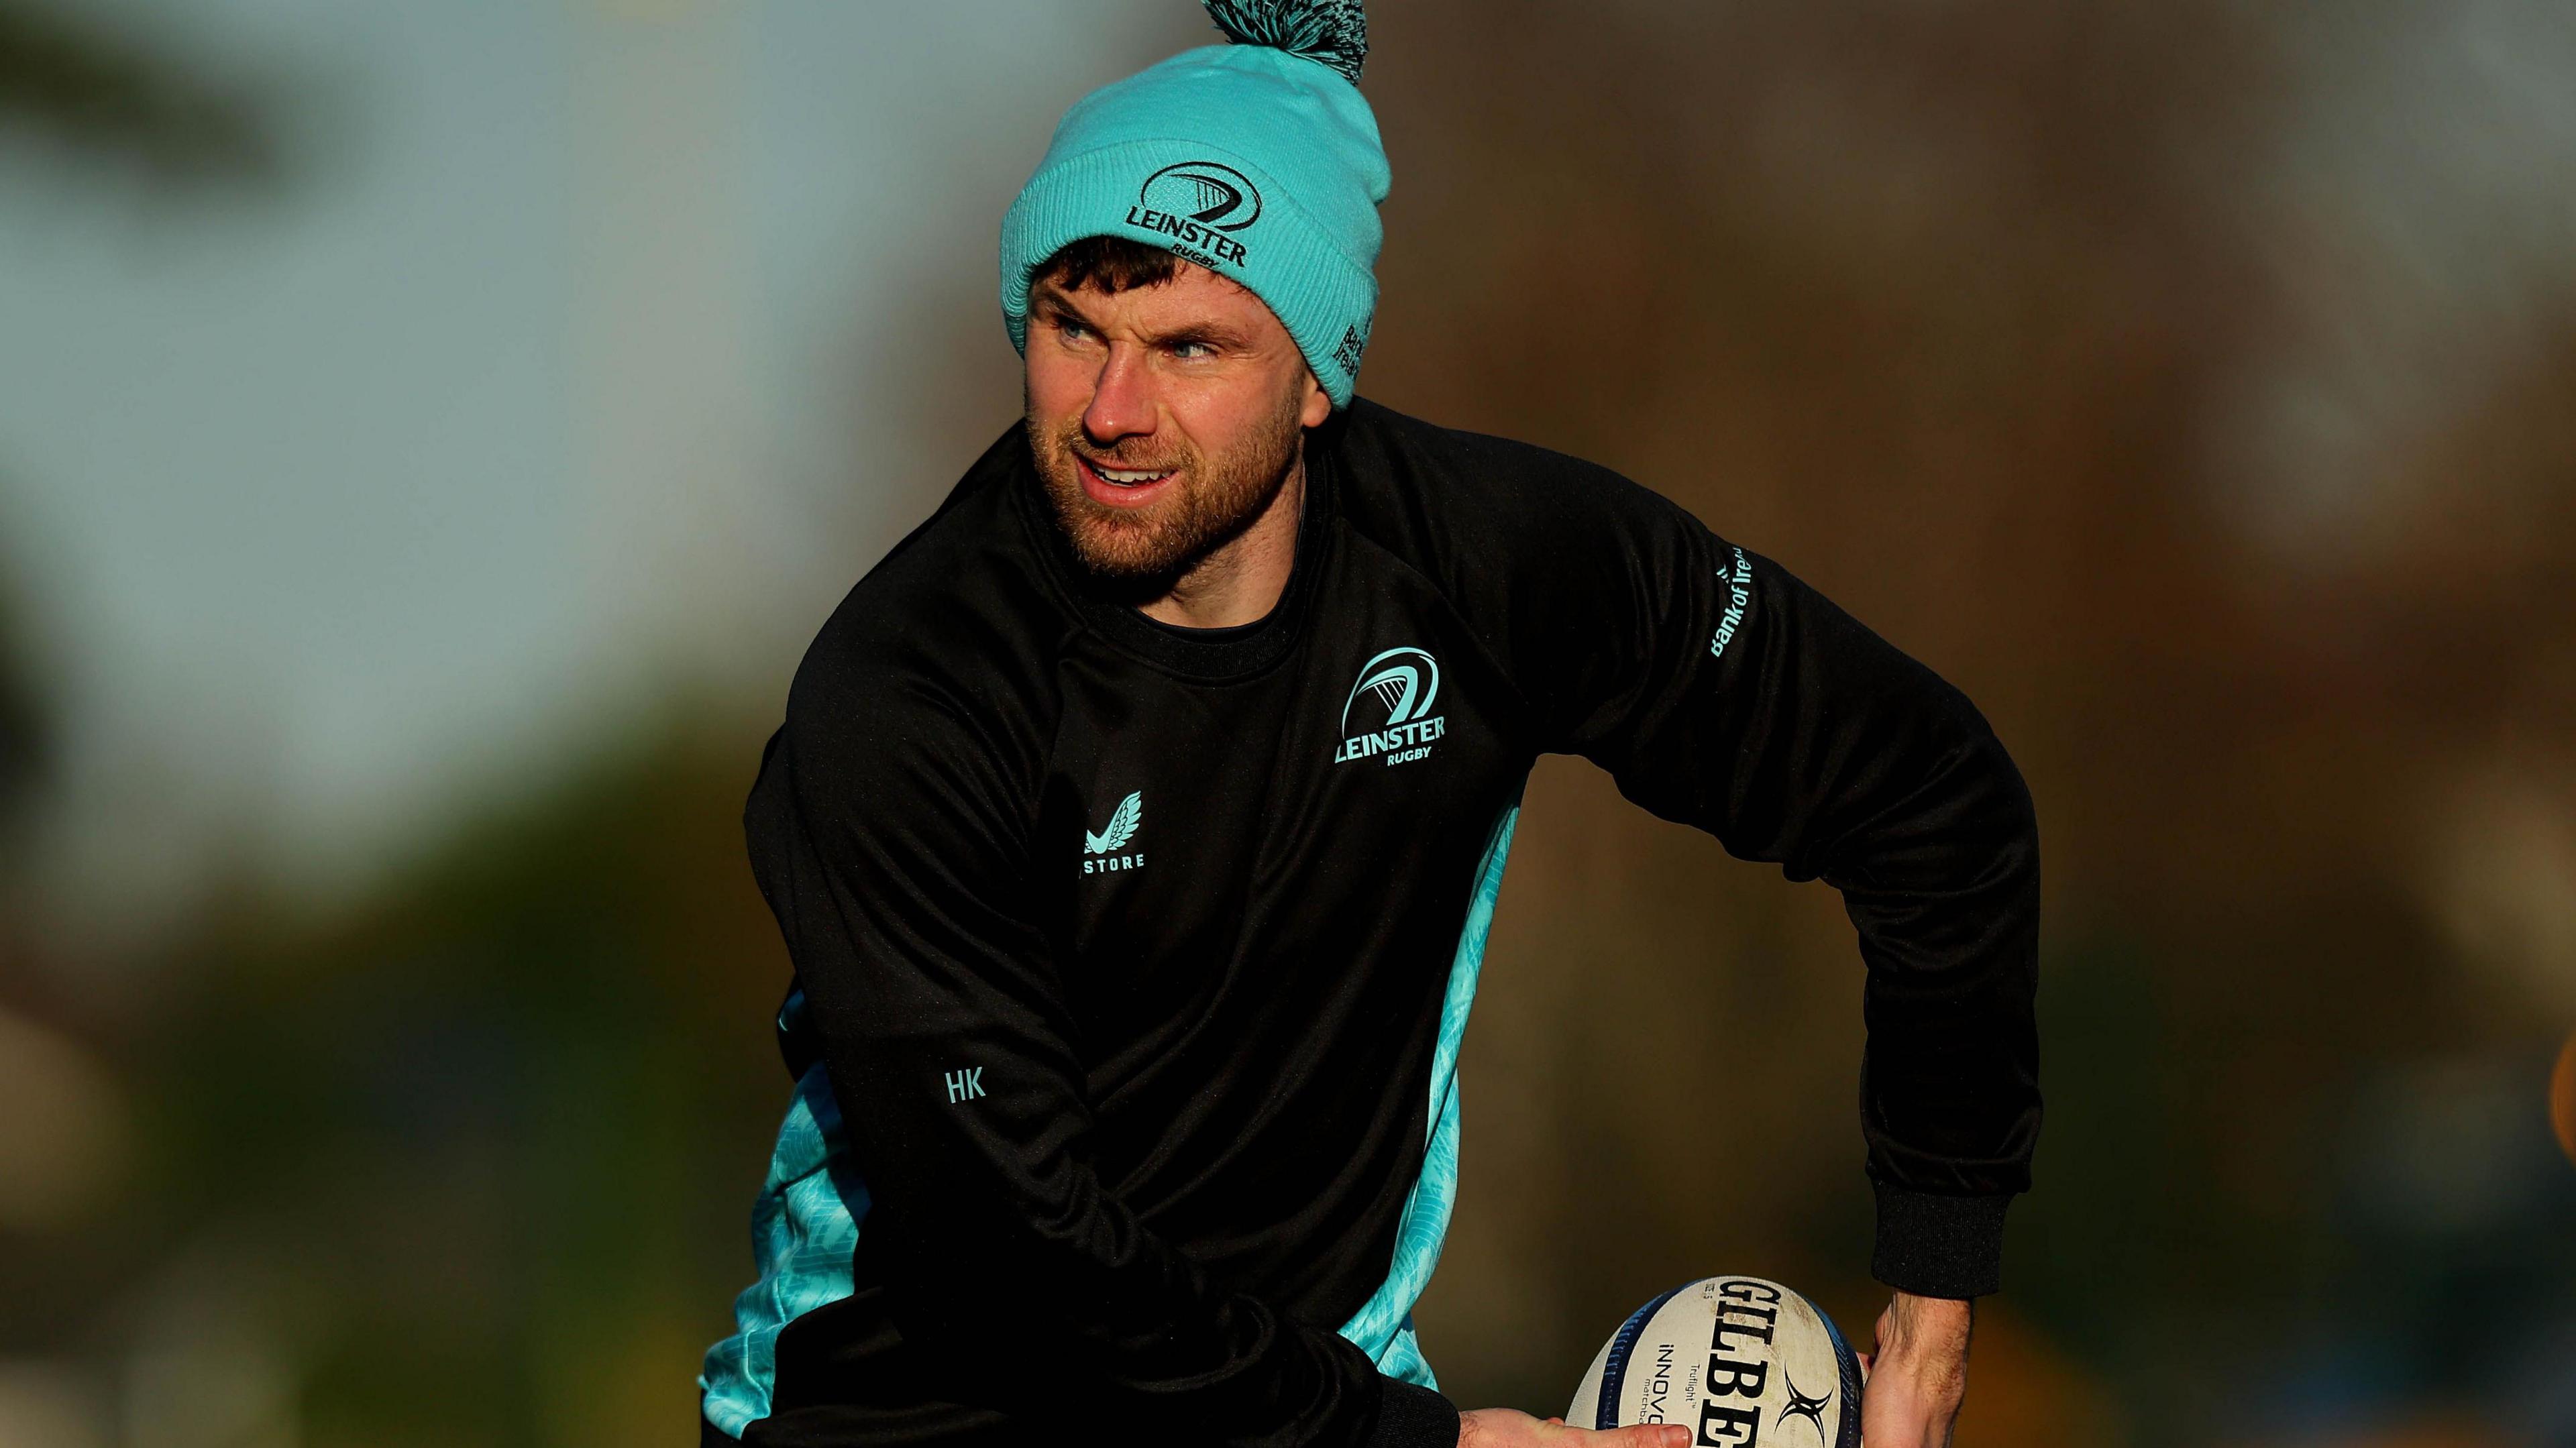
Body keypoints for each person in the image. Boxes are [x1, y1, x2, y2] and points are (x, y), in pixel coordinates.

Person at [697, 4, 2039, 1445]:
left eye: (1191, 346)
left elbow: (1931, 798)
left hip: (1314, 1409)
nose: (1113, 407)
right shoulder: (908, 696)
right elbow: (1021, 1252)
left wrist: (1930, 1320)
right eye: (1075, 328)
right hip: (922, 1412)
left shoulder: (1485, 561)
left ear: (1317, 375)